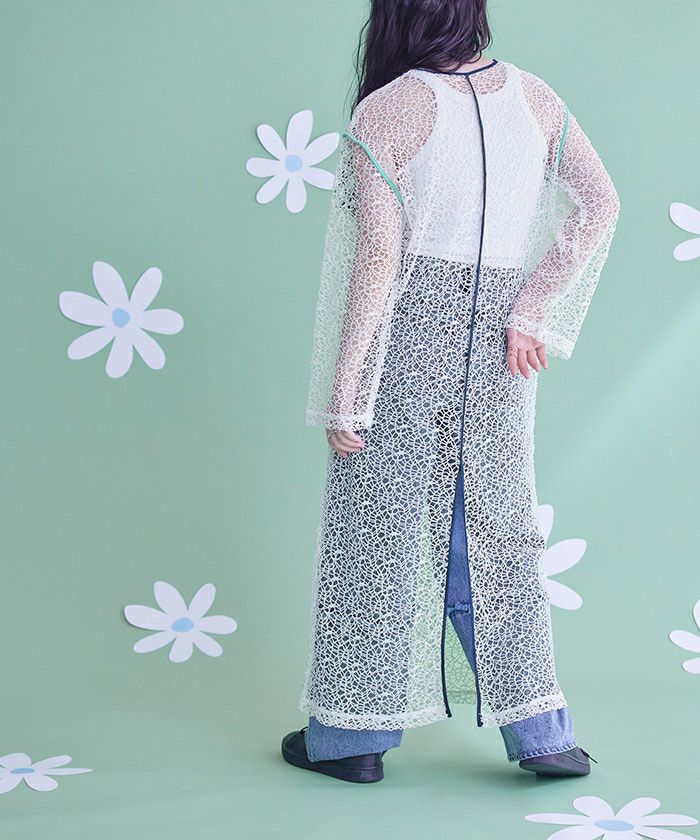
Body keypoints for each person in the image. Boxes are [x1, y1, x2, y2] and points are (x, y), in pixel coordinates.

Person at [282, 0, 620, 783]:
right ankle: (542, 733)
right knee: (499, 529)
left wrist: (345, 387)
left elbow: (378, 259)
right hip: (501, 345)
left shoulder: (388, 108)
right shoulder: (535, 97)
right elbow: (601, 201)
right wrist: (533, 307)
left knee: (376, 534)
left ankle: (349, 740)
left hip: (406, 339)